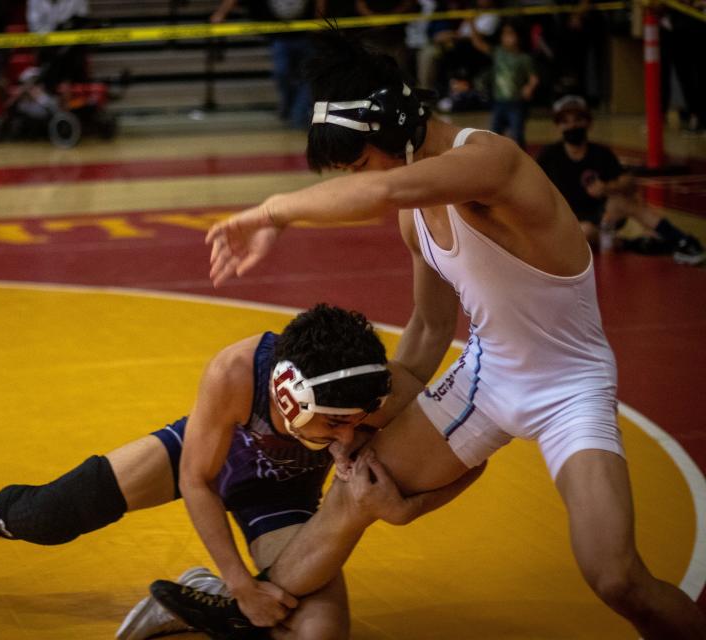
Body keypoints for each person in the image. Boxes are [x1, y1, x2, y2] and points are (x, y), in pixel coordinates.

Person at [150, 28, 706, 640]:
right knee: (355, 487)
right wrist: (361, 419)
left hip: (569, 385)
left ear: (392, 128)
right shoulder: (415, 219)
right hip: (485, 374)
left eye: (357, 162)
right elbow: (429, 327)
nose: (357, 180)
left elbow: (382, 188)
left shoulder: (490, 161)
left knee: (616, 576)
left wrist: (271, 211)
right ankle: (249, 607)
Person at [0, 304, 481, 639]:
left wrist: (408, 509)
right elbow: (198, 481)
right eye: (335, 427)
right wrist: (242, 580)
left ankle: (201, 600)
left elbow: (467, 456)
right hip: (205, 457)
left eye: (357, 424)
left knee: (319, 636)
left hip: (284, 495)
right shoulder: (235, 370)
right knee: (49, 515)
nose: (349, 440)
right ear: (290, 394)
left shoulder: (385, 392)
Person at [537, 95, 704, 265]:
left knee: (624, 201)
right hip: (570, 221)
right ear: (558, 126)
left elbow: (628, 182)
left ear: (588, 123)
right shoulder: (549, 155)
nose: (572, 126)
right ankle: (630, 244)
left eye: (578, 119)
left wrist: (608, 187)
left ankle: (681, 239)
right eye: (566, 121)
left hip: (602, 216)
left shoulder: (600, 153)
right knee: (584, 232)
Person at [211, 0, 318, 129]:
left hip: (306, 35)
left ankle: (298, 112)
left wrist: (319, 19)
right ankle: (290, 105)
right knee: (281, 73)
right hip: (280, 36)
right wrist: (221, 12)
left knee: (308, 77)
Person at [469, 19, 538, 149]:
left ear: (518, 36)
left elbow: (534, 78)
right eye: (504, 34)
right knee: (494, 134)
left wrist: (529, 88)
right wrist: (471, 24)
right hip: (499, 103)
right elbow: (478, 43)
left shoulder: (524, 58)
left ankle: (520, 159)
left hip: (516, 103)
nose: (506, 38)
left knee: (517, 134)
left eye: (510, 34)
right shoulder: (498, 53)